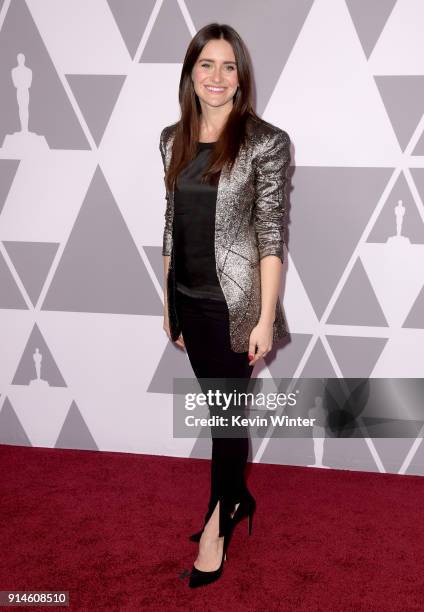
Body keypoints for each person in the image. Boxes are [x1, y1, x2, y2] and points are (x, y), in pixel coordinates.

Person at [159, 23, 291, 588]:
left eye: (228, 66)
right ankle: (238, 498)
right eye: (206, 65)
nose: (216, 77)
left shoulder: (265, 142)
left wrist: (264, 317)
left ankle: (218, 527)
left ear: (242, 77)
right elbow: (171, 223)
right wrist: (166, 299)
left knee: (225, 421)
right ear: (191, 73)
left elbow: (270, 236)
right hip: (187, 300)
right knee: (222, 414)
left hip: (234, 308)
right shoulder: (172, 139)